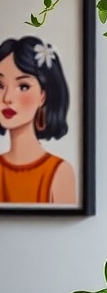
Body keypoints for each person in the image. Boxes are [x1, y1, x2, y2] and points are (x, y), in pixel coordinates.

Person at [0, 35, 77, 205]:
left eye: (23, 86)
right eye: (0, 85)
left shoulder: (60, 172)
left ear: (44, 95)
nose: (7, 98)